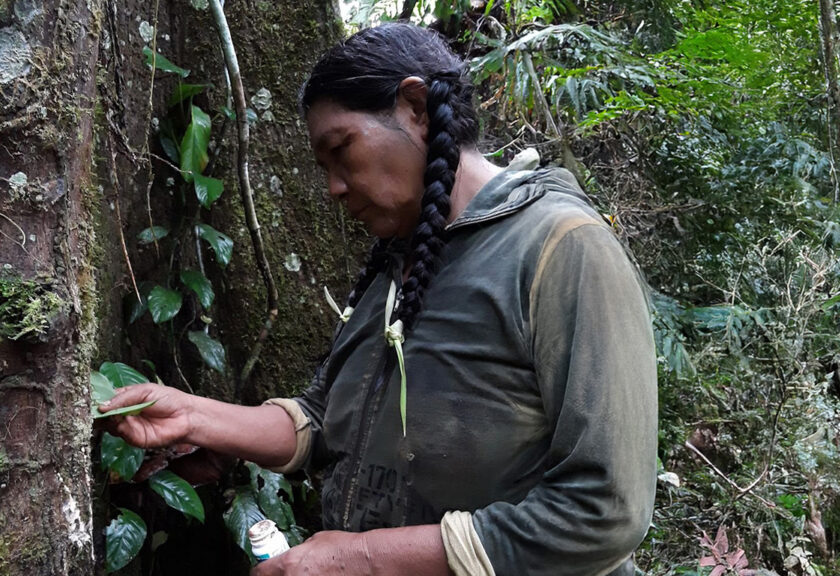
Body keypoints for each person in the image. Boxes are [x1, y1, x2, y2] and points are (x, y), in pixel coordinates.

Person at [100, 22, 657, 576]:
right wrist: (191, 415)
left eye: (341, 151)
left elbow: (604, 511)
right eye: (324, 168)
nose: (334, 188)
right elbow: (322, 420)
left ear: (415, 107)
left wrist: (363, 558)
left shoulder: (561, 247)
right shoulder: (398, 261)